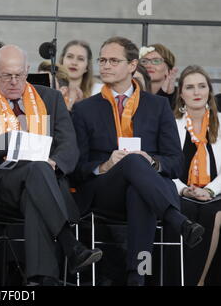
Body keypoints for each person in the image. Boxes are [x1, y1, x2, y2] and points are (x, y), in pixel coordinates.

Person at [0, 44, 103, 286]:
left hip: (43, 181)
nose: (14, 81)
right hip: (0, 185)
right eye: (7, 75)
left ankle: (41, 279)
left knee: (36, 181)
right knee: (37, 173)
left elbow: (69, 146)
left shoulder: (51, 98)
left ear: (27, 71)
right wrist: (9, 139)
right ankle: (70, 245)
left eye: (19, 75)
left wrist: (54, 164)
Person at [71, 36, 204, 286]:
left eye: (113, 60)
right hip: (105, 191)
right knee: (131, 163)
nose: (106, 66)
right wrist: (105, 165)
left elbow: (176, 162)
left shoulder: (158, 106)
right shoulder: (84, 109)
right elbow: (76, 168)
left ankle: (136, 277)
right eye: (102, 60)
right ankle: (179, 221)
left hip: (146, 190)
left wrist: (152, 162)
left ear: (132, 65)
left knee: (138, 182)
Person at [172, 65, 221, 286]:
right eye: (190, 87)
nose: (196, 92)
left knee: (214, 213)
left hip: (215, 193)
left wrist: (209, 190)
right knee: (188, 210)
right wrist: (184, 189)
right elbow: (164, 167)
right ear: (181, 93)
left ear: (209, 91)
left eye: (202, 86)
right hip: (182, 192)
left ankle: (199, 282)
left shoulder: (220, 123)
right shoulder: (172, 125)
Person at [139, 43, 178, 108]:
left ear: (168, 69)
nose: (148, 65)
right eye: (144, 61)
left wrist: (168, 95)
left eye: (156, 61)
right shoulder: (132, 93)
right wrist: (162, 93)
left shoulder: (180, 95)